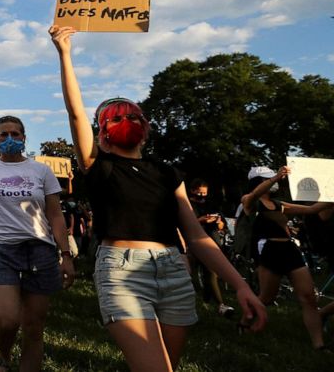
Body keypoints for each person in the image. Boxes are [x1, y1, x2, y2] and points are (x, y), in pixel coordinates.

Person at [49, 25, 267, 372]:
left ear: (146, 128)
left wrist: (240, 286)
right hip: (122, 270)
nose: (126, 120)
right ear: (101, 134)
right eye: (115, 117)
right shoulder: (99, 167)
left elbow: (196, 236)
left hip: (172, 270)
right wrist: (65, 53)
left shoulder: (168, 173)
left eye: (132, 115)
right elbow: (76, 114)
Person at [0, 115, 76, 372]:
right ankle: (4, 355)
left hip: (40, 250)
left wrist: (66, 254)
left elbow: (56, 214)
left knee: (34, 327)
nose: (9, 139)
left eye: (15, 134)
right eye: (4, 134)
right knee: (8, 320)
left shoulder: (41, 171)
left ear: (24, 138)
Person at [241, 166, 333, 349]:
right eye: (268, 179)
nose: (275, 183)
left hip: (289, 249)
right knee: (267, 297)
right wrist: (276, 177)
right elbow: (254, 194)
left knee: (308, 297)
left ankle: (319, 345)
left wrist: (330, 197)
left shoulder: (279, 204)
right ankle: (244, 323)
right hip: (269, 250)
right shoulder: (249, 201)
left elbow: (312, 209)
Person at [186, 181, 234, 317]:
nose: (202, 195)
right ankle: (219, 304)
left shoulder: (210, 204)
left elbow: (221, 226)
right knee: (207, 271)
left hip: (213, 241)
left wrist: (218, 222)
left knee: (211, 271)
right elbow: (187, 222)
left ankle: (209, 300)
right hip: (195, 241)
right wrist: (201, 220)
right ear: (193, 190)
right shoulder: (188, 205)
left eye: (205, 193)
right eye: (200, 192)